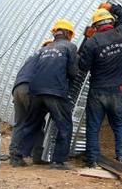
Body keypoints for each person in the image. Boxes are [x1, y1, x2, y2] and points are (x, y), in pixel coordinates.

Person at [17, 19, 78, 170]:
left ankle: (18, 156)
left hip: (36, 91)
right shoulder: (70, 46)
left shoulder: (45, 48)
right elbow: (73, 72)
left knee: (31, 124)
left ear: (55, 33)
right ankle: (58, 161)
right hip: (55, 91)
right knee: (64, 125)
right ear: (69, 34)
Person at [79, 2, 122, 167]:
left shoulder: (92, 42)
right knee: (120, 124)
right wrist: (112, 7)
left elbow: (82, 66)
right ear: (111, 21)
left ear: (95, 26)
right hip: (119, 89)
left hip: (98, 90)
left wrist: (86, 38)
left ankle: (92, 160)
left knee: (93, 127)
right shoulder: (121, 33)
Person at [9, 51, 45, 167]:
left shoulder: (32, 57)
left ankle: (14, 157)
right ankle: (37, 155)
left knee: (19, 123)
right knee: (37, 122)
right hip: (30, 89)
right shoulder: (48, 57)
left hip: (18, 88)